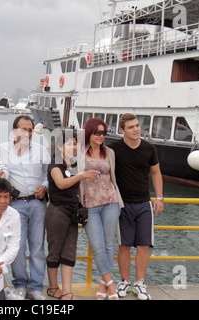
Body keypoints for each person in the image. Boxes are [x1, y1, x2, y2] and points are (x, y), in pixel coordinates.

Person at [109, 113, 164, 300]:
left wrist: (160, 197)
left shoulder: (149, 148)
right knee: (123, 245)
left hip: (144, 204)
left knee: (143, 245)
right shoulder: (113, 149)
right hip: (122, 205)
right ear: (122, 131)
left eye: (137, 125)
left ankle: (140, 284)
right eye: (131, 127)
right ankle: (124, 281)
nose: (136, 129)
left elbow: (156, 173)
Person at [0, 115, 50, 300]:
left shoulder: (42, 151)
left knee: (37, 247)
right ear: (14, 131)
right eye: (23, 129)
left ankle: (35, 287)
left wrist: (44, 187)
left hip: (37, 203)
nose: (27, 133)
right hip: (14, 205)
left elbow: (47, 174)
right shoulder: (1, 150)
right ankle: (19, 284)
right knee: (17, 247)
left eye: (30, 130)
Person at [45, 130, 98, 300]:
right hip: (57, 212)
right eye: (69, 143)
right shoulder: (55, 164)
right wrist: (82, 175)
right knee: (55, 251)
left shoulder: (74, 165)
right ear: (60, 146)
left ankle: (67, 292)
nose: (73, 146)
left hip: (72, 212)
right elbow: (61, 184)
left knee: (69, 252)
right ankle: (53, 288)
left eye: (75, 143)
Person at [80, 118, 124, 300]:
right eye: (97, 132)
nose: (100, 136)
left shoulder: (110, 153)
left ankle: (102, 282)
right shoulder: (80, 152)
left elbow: (114, 176)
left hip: (110, 201)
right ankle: (111, 283)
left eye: (103, 133)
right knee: (97, 246)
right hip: (89, 204)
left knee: (108, 245)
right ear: (89, 133)